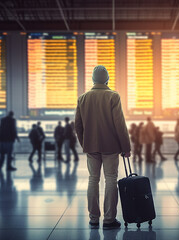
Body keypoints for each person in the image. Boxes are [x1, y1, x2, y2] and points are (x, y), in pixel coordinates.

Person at [75, 65, 131, 229]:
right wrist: (125, 147)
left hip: (91, 146)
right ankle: (109, 219)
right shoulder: (113, 96)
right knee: (111, 179)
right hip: (111, 146)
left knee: (93, 179)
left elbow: (78, 126)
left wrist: (85, 143)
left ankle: (93, 218)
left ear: (93, 80)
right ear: (107, 80)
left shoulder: (83, 98)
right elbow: (119, 124)